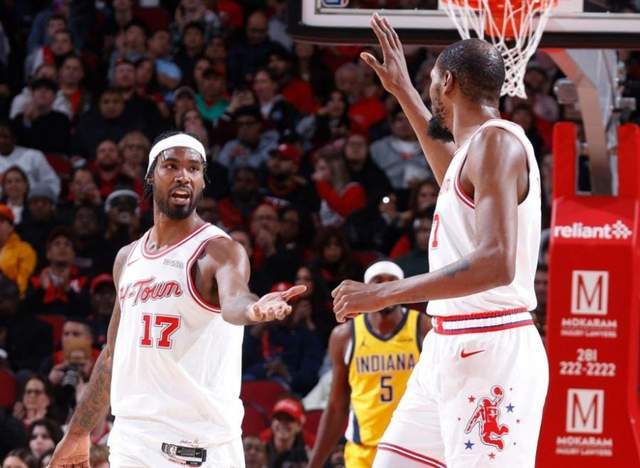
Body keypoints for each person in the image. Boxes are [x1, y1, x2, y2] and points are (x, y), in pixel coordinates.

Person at [332, 14, 547, 468]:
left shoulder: (495, 144)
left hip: (492, 347)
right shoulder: (473, 153)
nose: (430, 90)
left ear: (446, 81)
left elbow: (497, 263)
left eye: (430, 82)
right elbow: (450, 170)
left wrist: (384, 293)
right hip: (446, 345)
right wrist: (403, 92)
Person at [48, 131, 306, 467]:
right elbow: (112, 354)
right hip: (132, 444)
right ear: (150, 177)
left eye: (193, 168)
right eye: (171, 165)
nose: (184, 175)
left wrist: (254, 309)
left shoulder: (218, 250)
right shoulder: (128, 258)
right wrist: (78, 431)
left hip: (198, 449)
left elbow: (235, 299)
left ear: (202, 181)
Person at [309, 261, 428, 468]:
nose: (385, 286)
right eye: (378, 281)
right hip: (363, 452)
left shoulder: (423, 327)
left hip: (411, 450)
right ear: (366, 289)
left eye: (392, 281)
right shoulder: (345, 335)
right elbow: (337, 407)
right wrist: (314, 464)